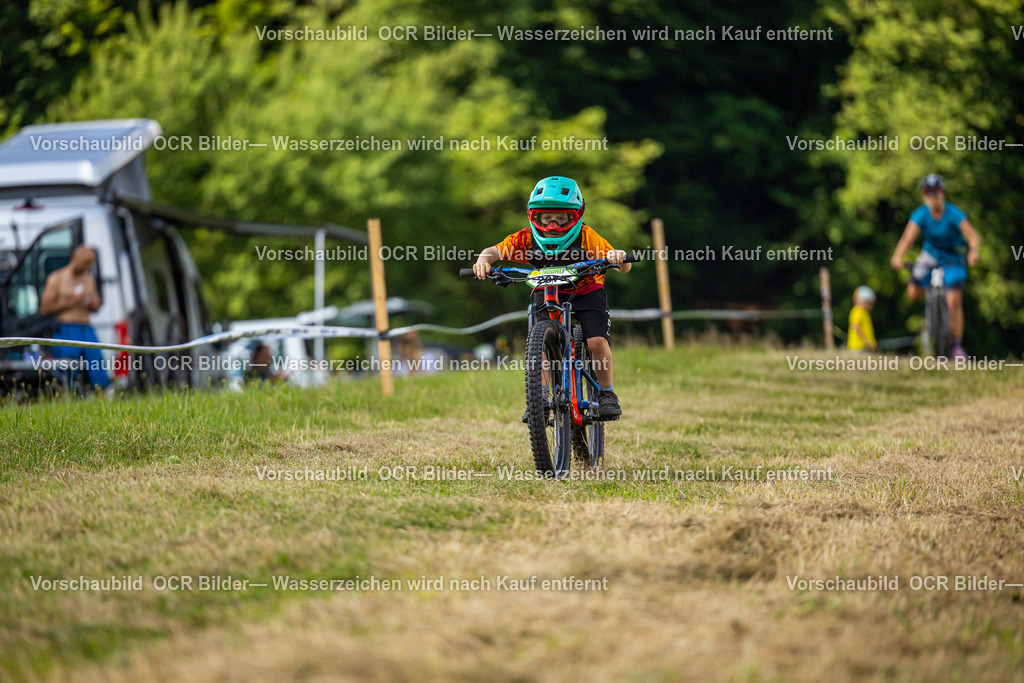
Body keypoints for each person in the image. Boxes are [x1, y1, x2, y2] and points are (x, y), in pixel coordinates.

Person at [473, 176, 631, 419]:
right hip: (546, 290)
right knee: (542, 347)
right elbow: (493, 251)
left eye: (561, 218)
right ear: (533, 216)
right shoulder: (526, 238)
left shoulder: (588, 237)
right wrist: (483, 262)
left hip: (586, 291)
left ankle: (607, 393)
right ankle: (541, 397)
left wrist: (617, 258)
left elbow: (621, 264)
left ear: (576, 215)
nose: (553, 226)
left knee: (597, 342)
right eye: (546, 218)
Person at [890, 174, 980, 360]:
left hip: (953, 258)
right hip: (930, 256)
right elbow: (908, 238)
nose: (931, 196)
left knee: (954, 301)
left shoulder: (953, 213)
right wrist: (898, 256)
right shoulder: (920, 214)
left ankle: (956, 345)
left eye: (934, 192)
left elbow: (973, 236)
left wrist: (973, 252)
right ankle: (932, 294)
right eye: (926, 192)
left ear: (942, 193)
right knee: (912, 293)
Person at [39, 245, 109, 390]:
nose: (87, 267)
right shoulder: (56, 278)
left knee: (96, 361)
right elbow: (45, 309)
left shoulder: (89, 278)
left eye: (90, 264)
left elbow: (96, 307)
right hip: (67, 328)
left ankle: (101, 392)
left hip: (86, 327)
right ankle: (69, 394)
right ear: (75, 258)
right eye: (85, 263)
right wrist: (72, 301)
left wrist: (93, 302)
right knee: (68, 366)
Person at [847, 286, 877, 352]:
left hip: (864, 347)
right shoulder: (857, 311)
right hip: (858, 347)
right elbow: (856, 326)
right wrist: (867, 341)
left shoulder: (864, 313)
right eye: (868, 303)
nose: (870, 306)